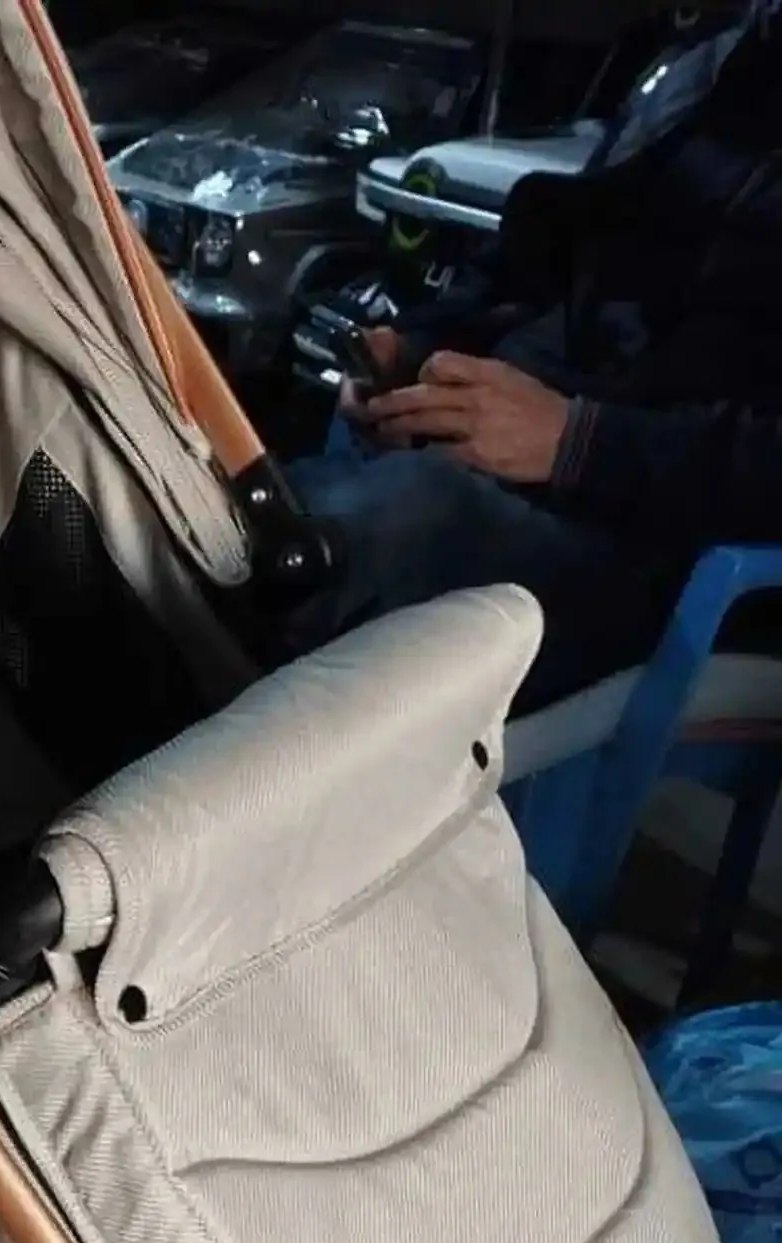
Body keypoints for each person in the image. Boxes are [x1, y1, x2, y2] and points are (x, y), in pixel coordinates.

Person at [277, 2, 782, 714]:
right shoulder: (717, 63)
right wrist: (425, 350)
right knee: (240, 509)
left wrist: (580, 443)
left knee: (361, 535)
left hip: (685, 562)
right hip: (546, 483)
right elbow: (567, 260)